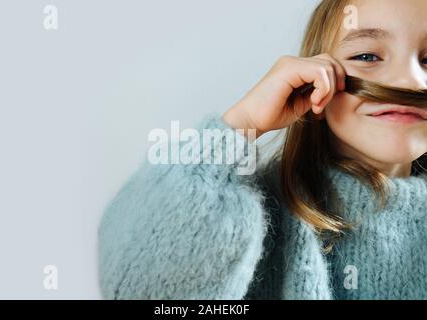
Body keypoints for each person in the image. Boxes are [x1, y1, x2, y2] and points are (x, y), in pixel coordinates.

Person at [98, 0, 427, 300]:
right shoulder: (252, 212)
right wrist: (242, 124)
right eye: (367, 56)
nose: (410, 82)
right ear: (315, 77)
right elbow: (144, 291)